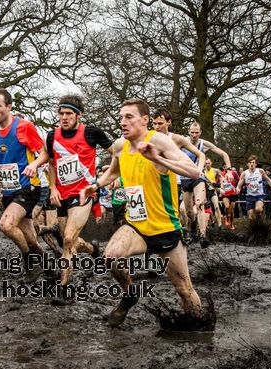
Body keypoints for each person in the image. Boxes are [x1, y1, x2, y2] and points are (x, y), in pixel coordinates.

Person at [80, 98, 206, 328]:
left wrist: (157, 158)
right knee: (111, 256)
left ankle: (201, 330)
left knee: (184, 289)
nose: (122, 122)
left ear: (145, 120)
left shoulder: (157, 140)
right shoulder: (120, 146)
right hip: (136, 224)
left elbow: (194, 171)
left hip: (165, 227)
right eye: (120, 118)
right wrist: (96, 185)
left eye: (129, 117)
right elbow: (114, 171)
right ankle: (130, 292)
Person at [0, 88, 49, 282]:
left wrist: (33, 164)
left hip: (28, 186)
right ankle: (49, 267)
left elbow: (44, 153)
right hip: (8, 189)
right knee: (30, 238)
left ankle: (29, 261)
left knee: (6, 225)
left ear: (9, 106)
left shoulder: (24, 126)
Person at [46, 94, 112, 291]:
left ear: (79, 115)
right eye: (61, 114)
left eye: (68, 113)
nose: (63, 117)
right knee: (70, 240)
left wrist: (105, 179)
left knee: (67, 239)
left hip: (84, 194)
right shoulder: (52, 136)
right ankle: (93, 249)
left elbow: (116, 155)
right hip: (62, 195)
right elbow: (51, 163)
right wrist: (53, 187)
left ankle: (64, 287)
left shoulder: (91, 133)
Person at [180, 122, 231, 247]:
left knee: (200, 204)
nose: (194, 135)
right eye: (192, 132)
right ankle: (192, 225)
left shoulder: (204, 144)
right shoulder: (182, 142)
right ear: (188, 131)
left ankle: (203, 236)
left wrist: (229, 170)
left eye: (197, 132)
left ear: (200, 132)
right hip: (185, 178)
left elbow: (224, 154)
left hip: (199, 177)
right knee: (188, 211)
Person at [236, 155, 271, 222]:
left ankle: (260, 220)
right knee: (250, 216)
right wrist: (238, 188)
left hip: (259, 195)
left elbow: (268, 180)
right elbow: (240, 183)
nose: (252, 164)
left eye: (253, 162)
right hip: (249, 196)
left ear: (256, 164)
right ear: (247, 164)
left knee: (258, 209)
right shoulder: (244, 173)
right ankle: (253, 227)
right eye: (250, 162)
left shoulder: (260, 171)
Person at [203, 158, 223, 229]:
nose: (207, 165)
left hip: (213, 191)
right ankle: (212, 222)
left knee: (216, 206)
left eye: (208, 163)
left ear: (211, 163)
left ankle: (220, 224)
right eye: (206, 163)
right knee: (209, 210)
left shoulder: (215, 170)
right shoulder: (203, 171)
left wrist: (221, 186)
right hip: (205, 192)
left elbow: (221, 177)